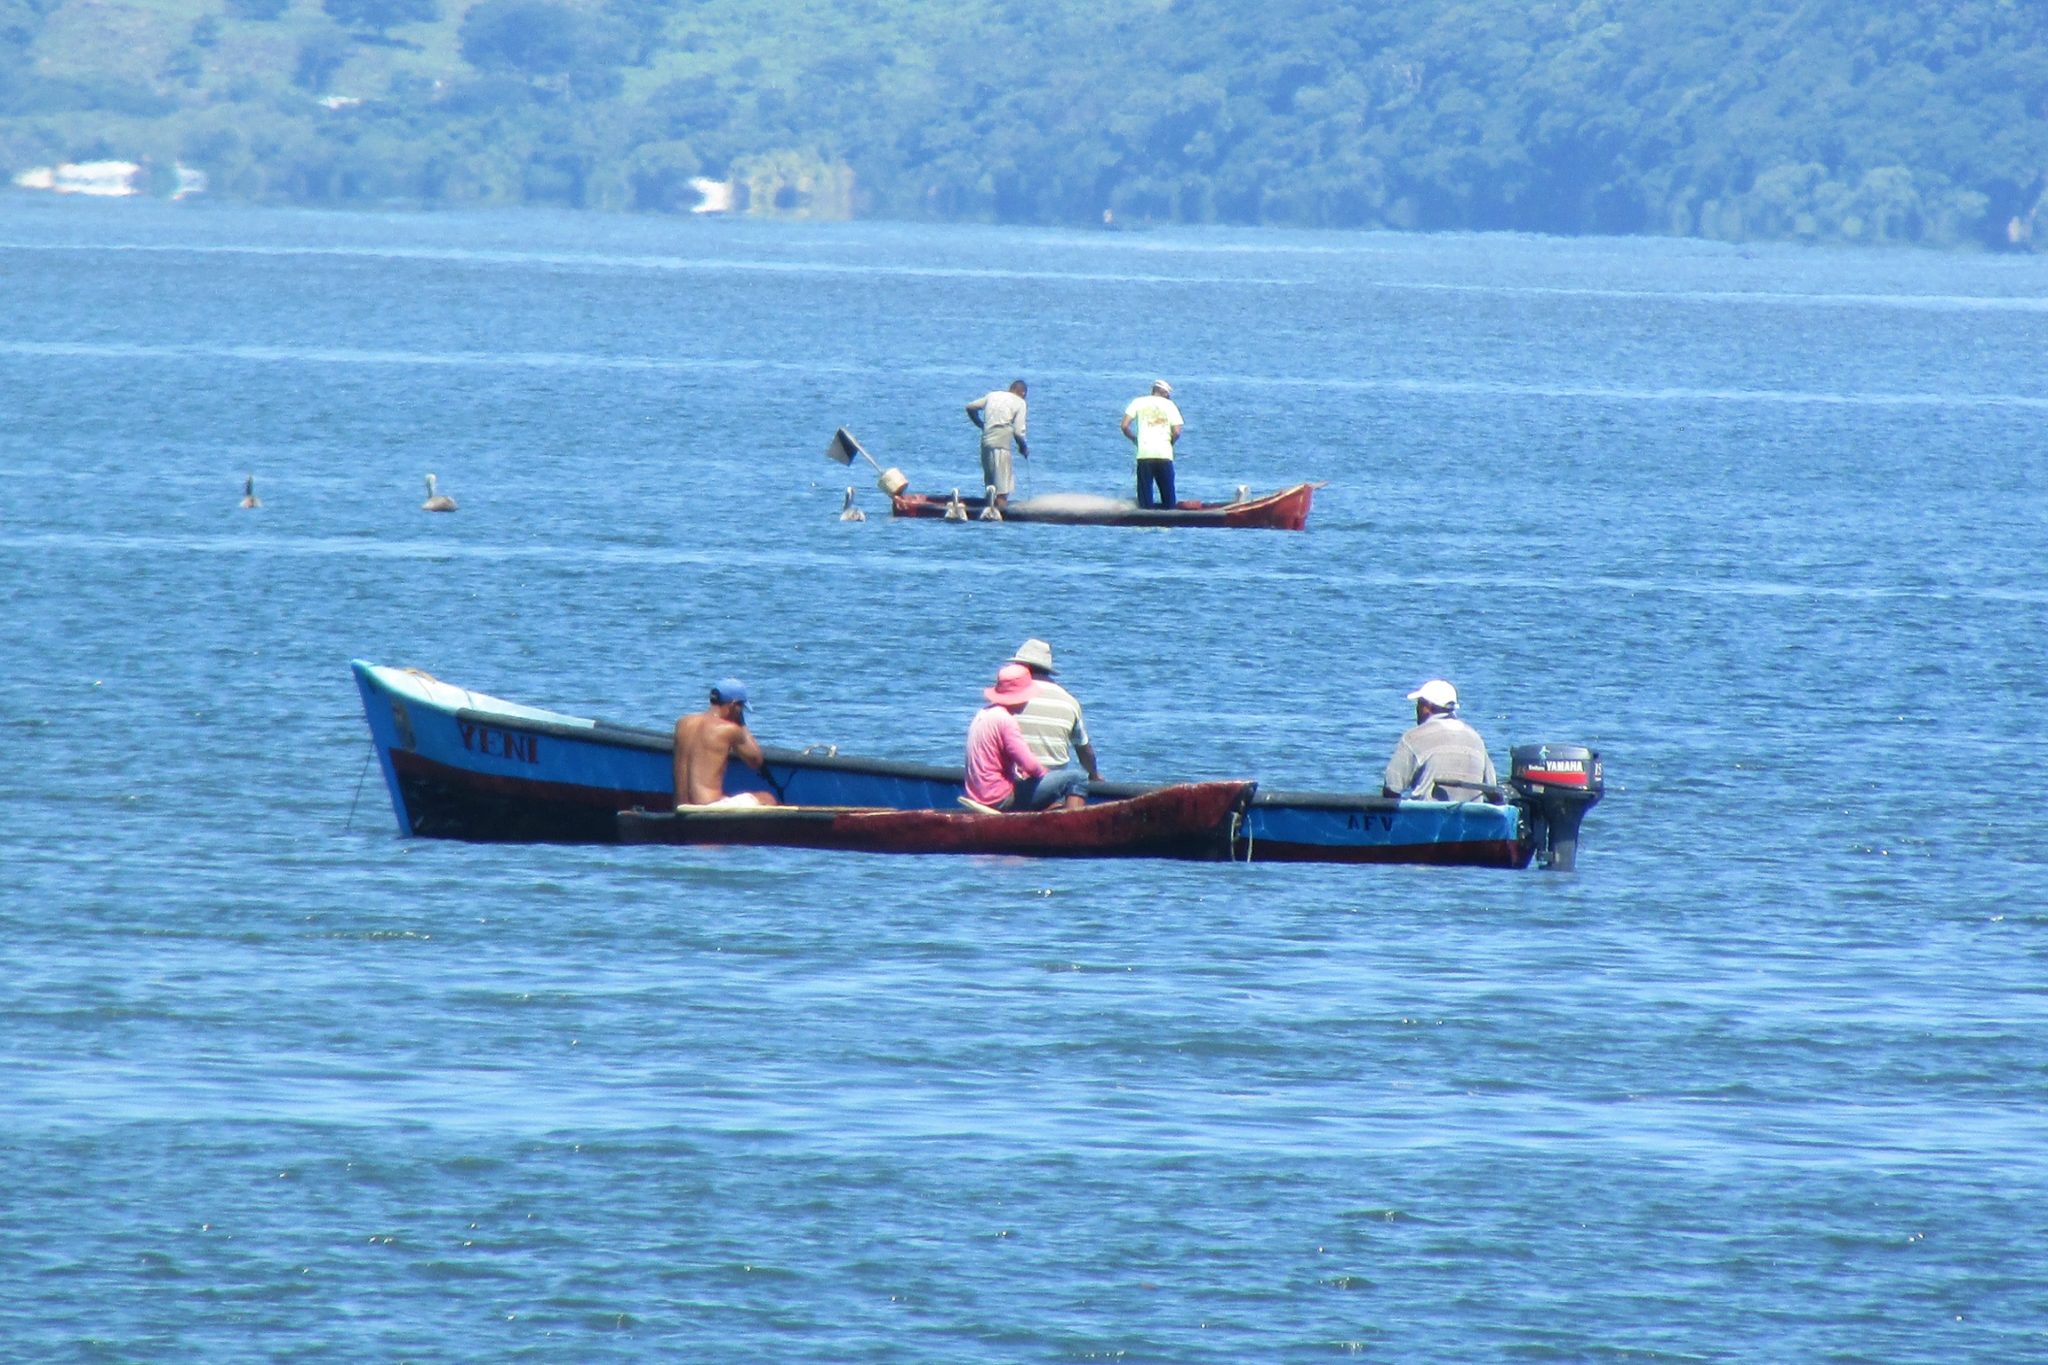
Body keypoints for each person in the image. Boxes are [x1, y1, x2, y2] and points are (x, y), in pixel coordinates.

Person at [966, 664, 1088, 812]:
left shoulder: (983, 714)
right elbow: (1030, 765)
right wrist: (1047, 776)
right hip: (1000, 798)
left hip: (978, 795)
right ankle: (1072, 828)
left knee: (1043, 792)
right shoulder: (1006, 721)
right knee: (1077, 778)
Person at [1382, 679, 1499, 802]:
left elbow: (1392, 789)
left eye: (1419, 704)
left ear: (1427, 707)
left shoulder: (1413, 737)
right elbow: (1494, 791)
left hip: (1426, 816)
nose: (1416, 709)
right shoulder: (1476, 738)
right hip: (1472, 816)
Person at [1007, 638, 1103, 785]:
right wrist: (1094, 775)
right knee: (1077, 779)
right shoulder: (1069, 702)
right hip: (1051, 784)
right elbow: (1084, 750)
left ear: (1021, 667)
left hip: (1012, 779)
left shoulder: (1008, 697)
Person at [673, 678, 780, 808]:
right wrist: (741, 722)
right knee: (767, 798)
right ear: (734, 705)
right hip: (707, 807)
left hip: (681, 806)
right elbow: (755, 760)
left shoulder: (683, 723)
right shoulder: (729, 730)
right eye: (741, 707)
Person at [964, 379, 1029, 512]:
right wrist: (1023, 447)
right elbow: (1018, 432)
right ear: (1022, 393)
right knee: (1002, 489)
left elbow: (970, 407)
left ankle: (988, 511)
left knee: (991, 485)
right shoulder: (1020, 403)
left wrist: (980, 424)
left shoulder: (993, 395)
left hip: (986, 442)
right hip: (1001, 445)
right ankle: (1000, 516)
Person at [1120, 379, 1184, 509]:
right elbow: (1177, 432)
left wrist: (1134, 439)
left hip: (1144, 453)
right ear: (1164, 393)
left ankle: (1145, 520)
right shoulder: (1170, 405)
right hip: (1164, 454)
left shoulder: (1138, 402)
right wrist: (1170, 443)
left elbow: (1124, 426)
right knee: (1168, 495)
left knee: (1145, 496)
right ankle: (1168, 520)